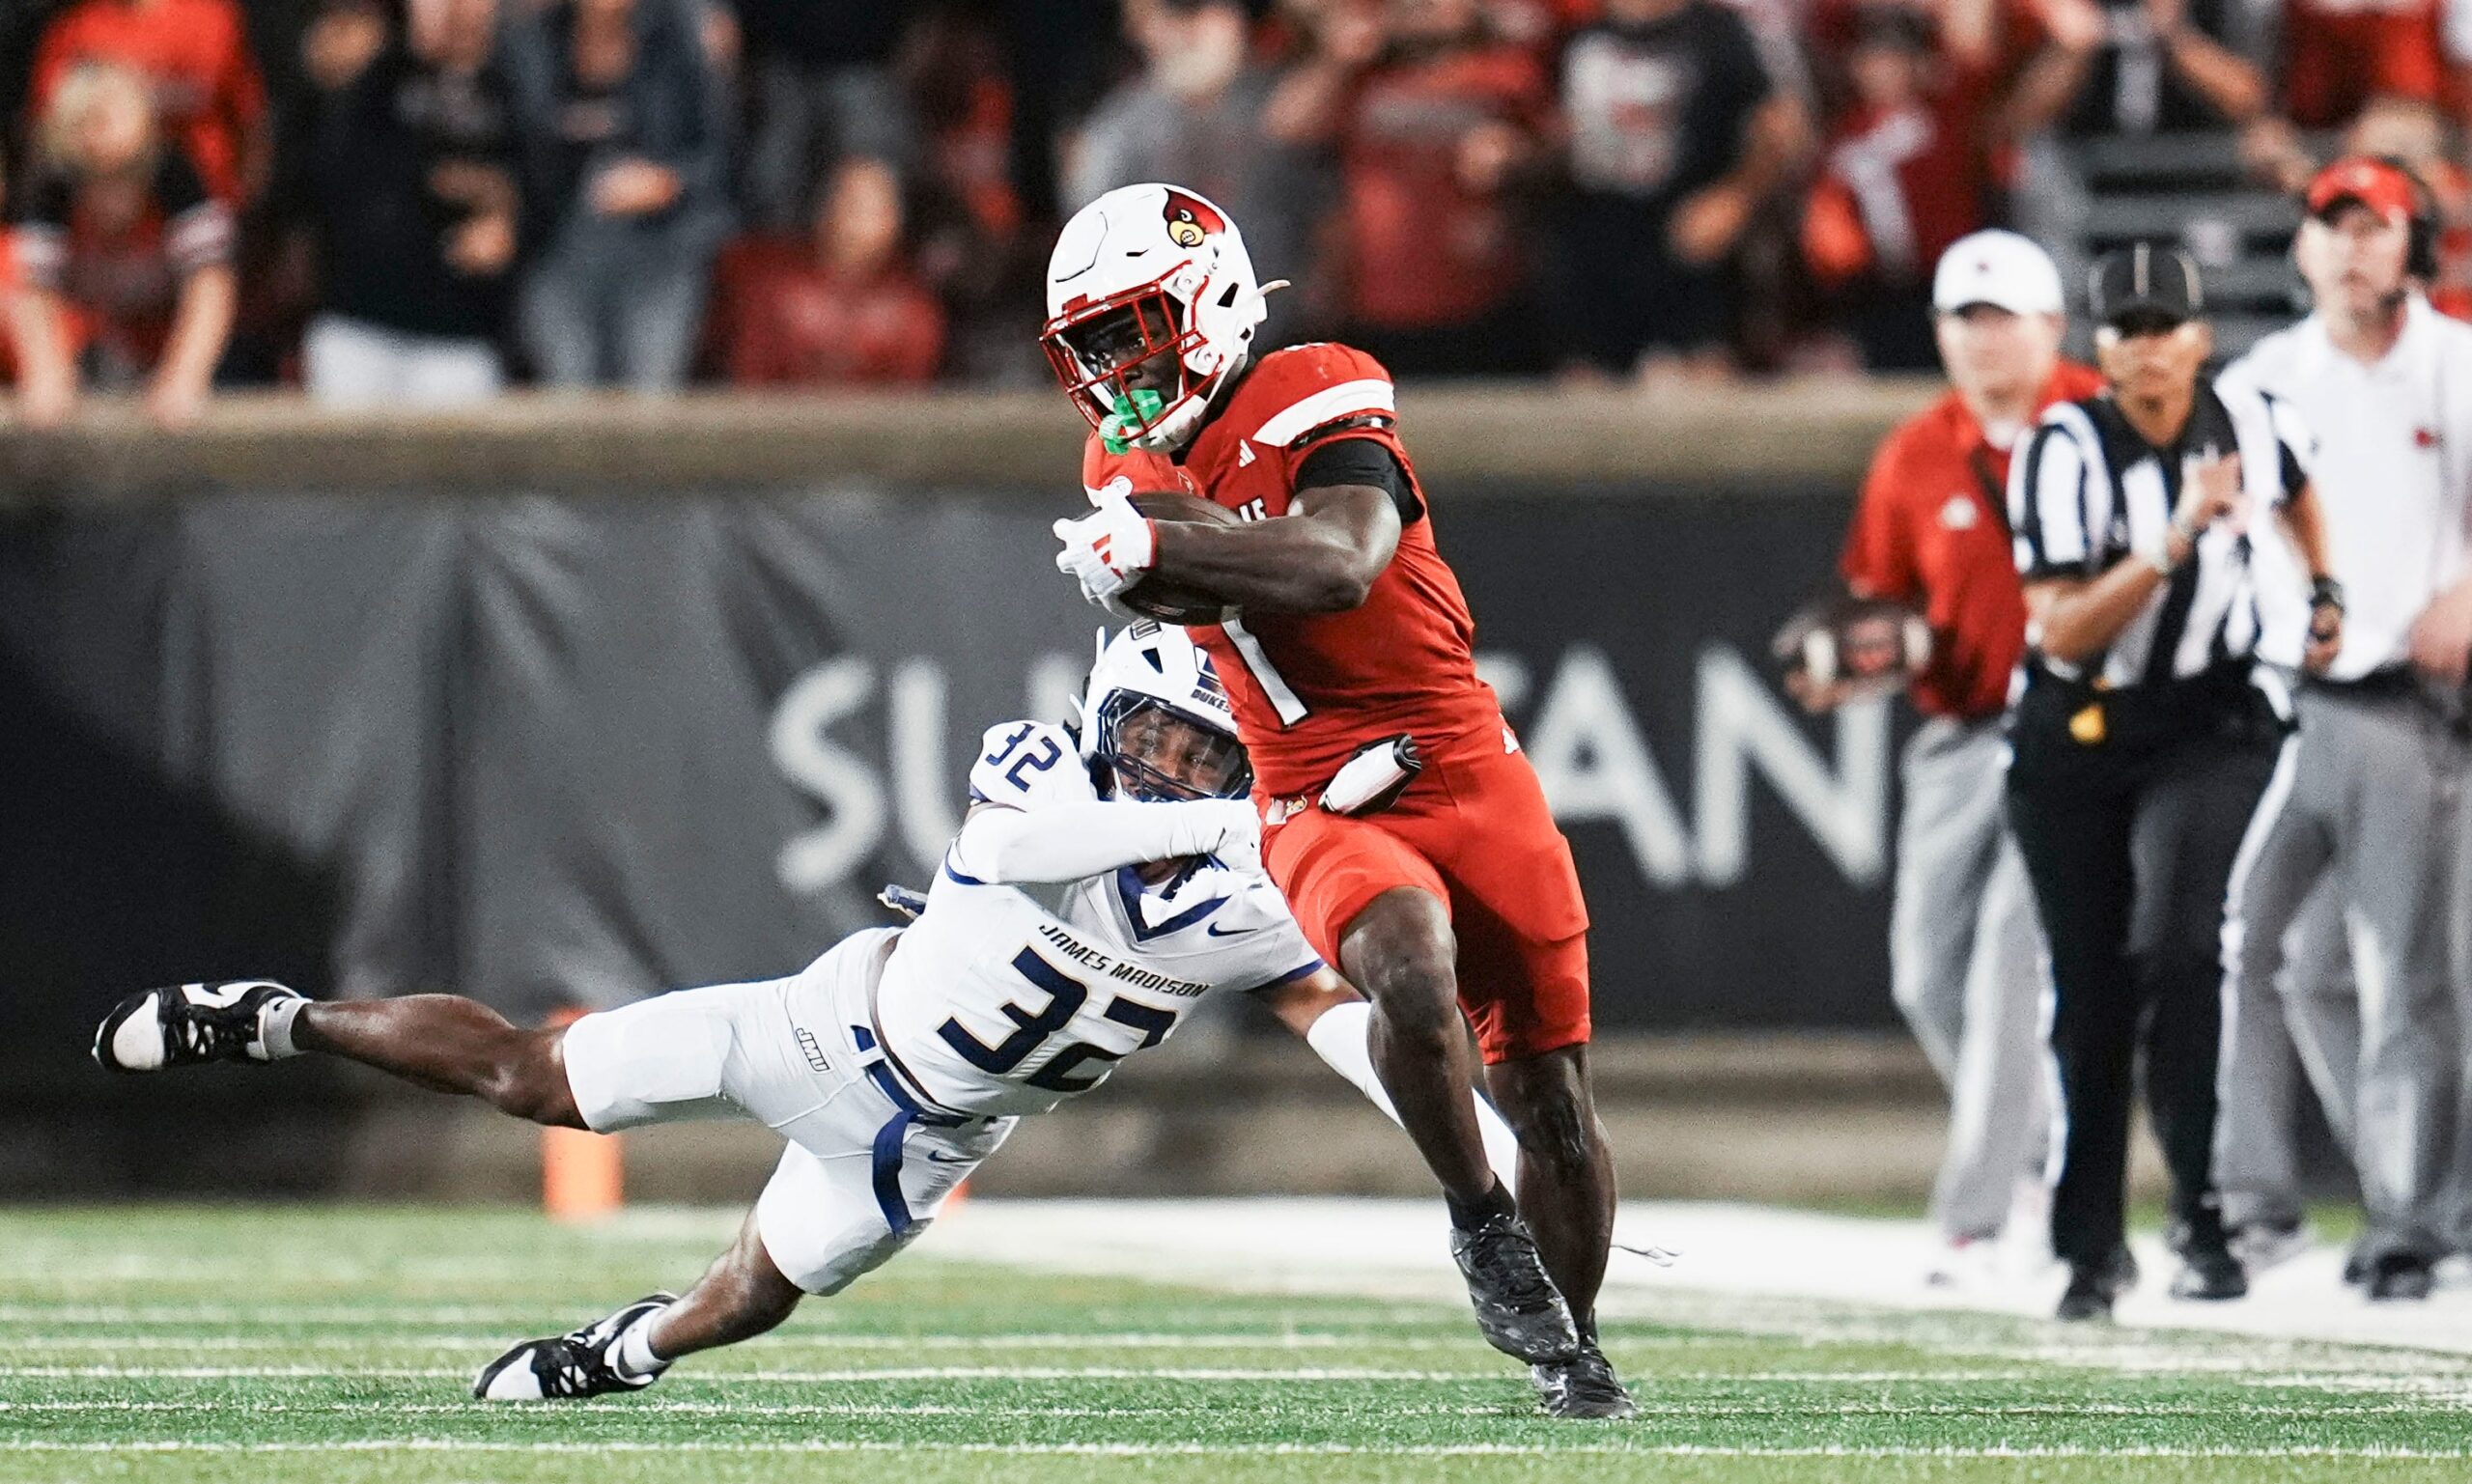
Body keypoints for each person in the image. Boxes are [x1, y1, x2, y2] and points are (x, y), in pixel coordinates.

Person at [92, 625, 1523, 1400]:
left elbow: (1340, 1015)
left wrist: (1472, 1137)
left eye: (1196, 748)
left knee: (750, 1297)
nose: (1161, 768)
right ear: (1099, 718)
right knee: (537, 1076)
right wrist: (1255, 811)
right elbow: (1022, 850)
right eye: (1149, 738)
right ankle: (276, 1018)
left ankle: (618, 1353)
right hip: (825, 1032)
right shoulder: (1041, 769)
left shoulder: (1252, 898)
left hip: (929, 1148)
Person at [1043, 182, 1630, 1417]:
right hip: (1311, 787)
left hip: (1460, 758)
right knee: (1407, 968)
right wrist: (1156, 548)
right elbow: (1185, 578)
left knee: (1554, 1105)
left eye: (1128, 329)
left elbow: (1338, 562)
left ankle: (1574, 1362)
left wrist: (1161, 545)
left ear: (1202, 299)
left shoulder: (1314, 379)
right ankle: (1479, 1219)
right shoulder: (1120, 460)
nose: (1113, 373)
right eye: (1089, 347)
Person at [2006, 243, 2343, 1321]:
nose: (2148, 349)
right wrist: (2174, 539)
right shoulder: (2060, 447)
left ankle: (2203, 1214)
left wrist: (2323, 585)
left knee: (2188, 945)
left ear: (2200, 337)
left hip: (2210, 717)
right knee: (2092, 990)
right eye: (2127, 330)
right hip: (2078, 728)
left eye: (2166, 327)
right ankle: (2091, 1245)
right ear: (2096, 347)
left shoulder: (2247, 418)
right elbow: (2060, 633)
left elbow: (2296, 485)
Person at [1798, 230, 2101, 1283]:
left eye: (2000, 319)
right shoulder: (1914, 451)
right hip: (1962, 731)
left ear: (2051, 326)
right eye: (1961, 321)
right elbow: (1879, 600)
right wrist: (1861, 655)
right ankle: (2046, 1149)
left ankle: (1979, 1217)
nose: (1979, 342)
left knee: (2009, 965)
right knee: (1926, 970)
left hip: (2076, 729)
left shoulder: (2102, 423)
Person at [2213, 157, 2472, 1301]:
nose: (2352, 247)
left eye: (2378, 227)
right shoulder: (2266, 375)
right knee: (2283, 956)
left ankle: (2405, 1220)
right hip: (2293, 703)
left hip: (2406, 708)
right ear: (2303, 245)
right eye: (2333, 225)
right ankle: (2315, 1202)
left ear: (2418, 246)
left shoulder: (2455, 367)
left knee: (2390, 969)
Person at [1262, 0, 1553, 375]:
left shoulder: (1505, 74)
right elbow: (1286, 128)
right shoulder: (1363, 76)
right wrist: (1338, 59)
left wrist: (1517, 155)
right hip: (1373, 303)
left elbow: (1560, 155)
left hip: (1481, 301)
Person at [1550, 0, 1802, 380]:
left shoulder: (1720, 31)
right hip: (1599, 253)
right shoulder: (1581, 38)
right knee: (1587, 392)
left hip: (1694, 252)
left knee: (1706, 385)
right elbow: (1553, 135)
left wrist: (1736, 196)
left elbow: (1780, 128)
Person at [297, 0, 524, 406]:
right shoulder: (374, 72)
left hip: (459, 335)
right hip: (357, 326)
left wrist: (508, 216)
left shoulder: (516, 81)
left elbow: (543, 187)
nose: (453, 9)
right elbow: (316, 175)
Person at [504, 0, 733, 391]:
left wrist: (669, 180)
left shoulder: (677, 37)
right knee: (569, 404)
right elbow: (514, 145)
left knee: (648, 406)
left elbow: (720, 157)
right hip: (561, 250)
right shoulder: (533, 39)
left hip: (658, 251)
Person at [6, 60, 235, 427]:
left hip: (165, 340)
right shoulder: (50, 185)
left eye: (112, 111)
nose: (101, 130)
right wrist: (46, 371)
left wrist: (185, 375)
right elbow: (30, 291)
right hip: (89, 348)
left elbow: (210, 285)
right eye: (90, 116)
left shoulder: (176, 174)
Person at [703, 154, 944, 385]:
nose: (854, 220)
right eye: (848, 202)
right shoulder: (775, 286)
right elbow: (751, 383)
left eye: (869, 210)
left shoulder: (913, 308)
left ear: (892, 221)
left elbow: (908, 407)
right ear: (823, 210)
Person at [25, 0, 270, 204]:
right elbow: (45, 124)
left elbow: (251, 115)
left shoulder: (212, 18)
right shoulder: (79, 27)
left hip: (208, 199)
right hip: (104, 214)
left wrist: (249, 196)